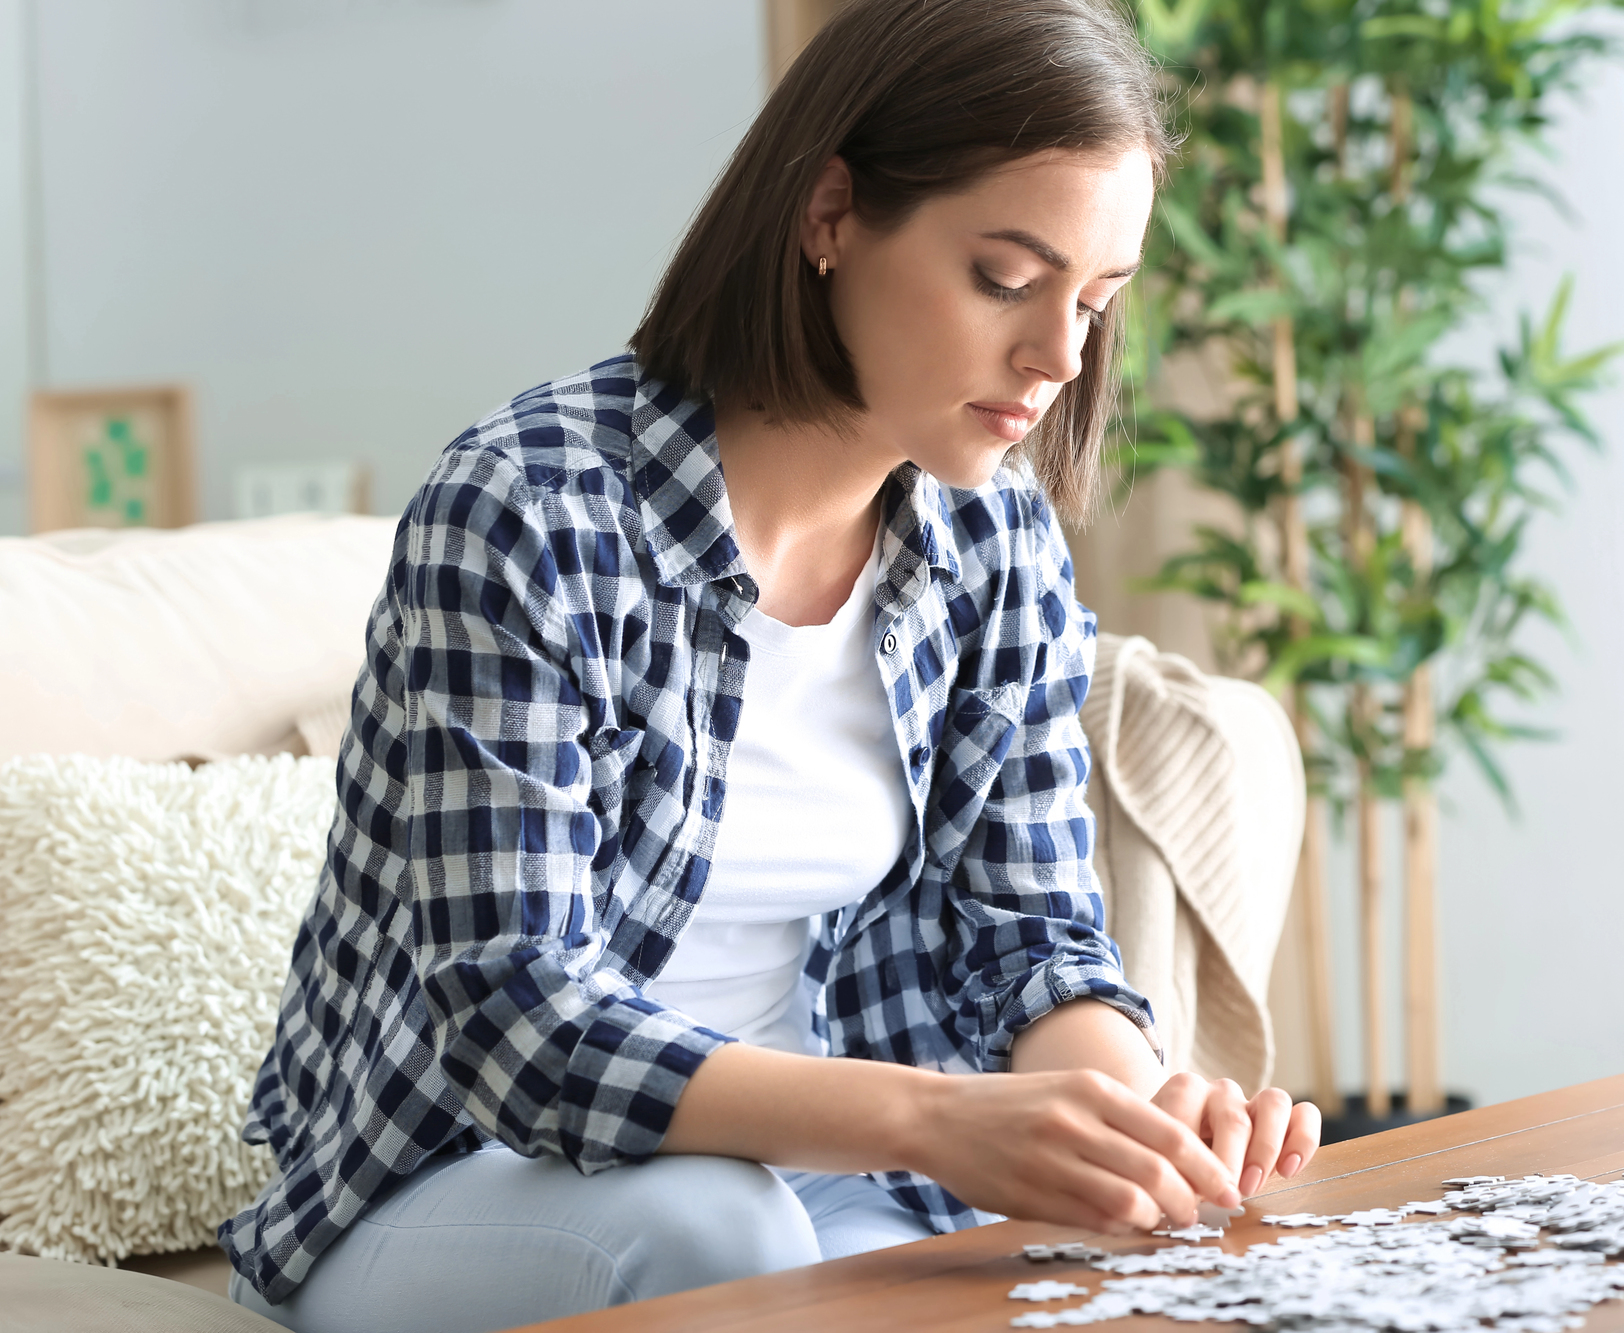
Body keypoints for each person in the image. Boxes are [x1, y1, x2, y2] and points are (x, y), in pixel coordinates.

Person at [221, 1, 1322, 1328]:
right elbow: (523, 1021)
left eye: (1095, 300)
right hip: (453, 1180)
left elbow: (1029, 933)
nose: (1060, 356)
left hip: (818, 1175)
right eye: (1004, 277)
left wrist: (1129, 1114)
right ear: (831, 213)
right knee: (726, 1224)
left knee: (1102, 1258)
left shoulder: (994, 534)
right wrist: (938, 1119)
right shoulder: (528, 511)